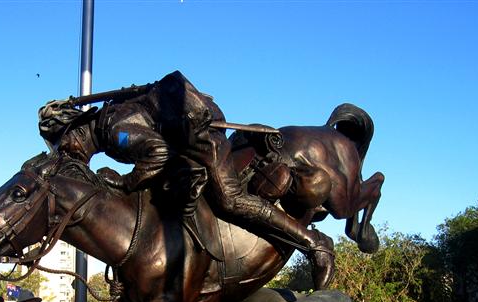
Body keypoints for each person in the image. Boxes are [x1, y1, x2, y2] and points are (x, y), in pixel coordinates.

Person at [38, 70, 334, 289]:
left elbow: (158, 153)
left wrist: (127, 183)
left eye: (62, 145)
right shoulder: (113, 122)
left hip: (203, 140)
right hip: (187, 139)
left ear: (72, 131)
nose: (69, 154)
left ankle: (314, 244)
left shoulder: (115, 132)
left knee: (231, 200)